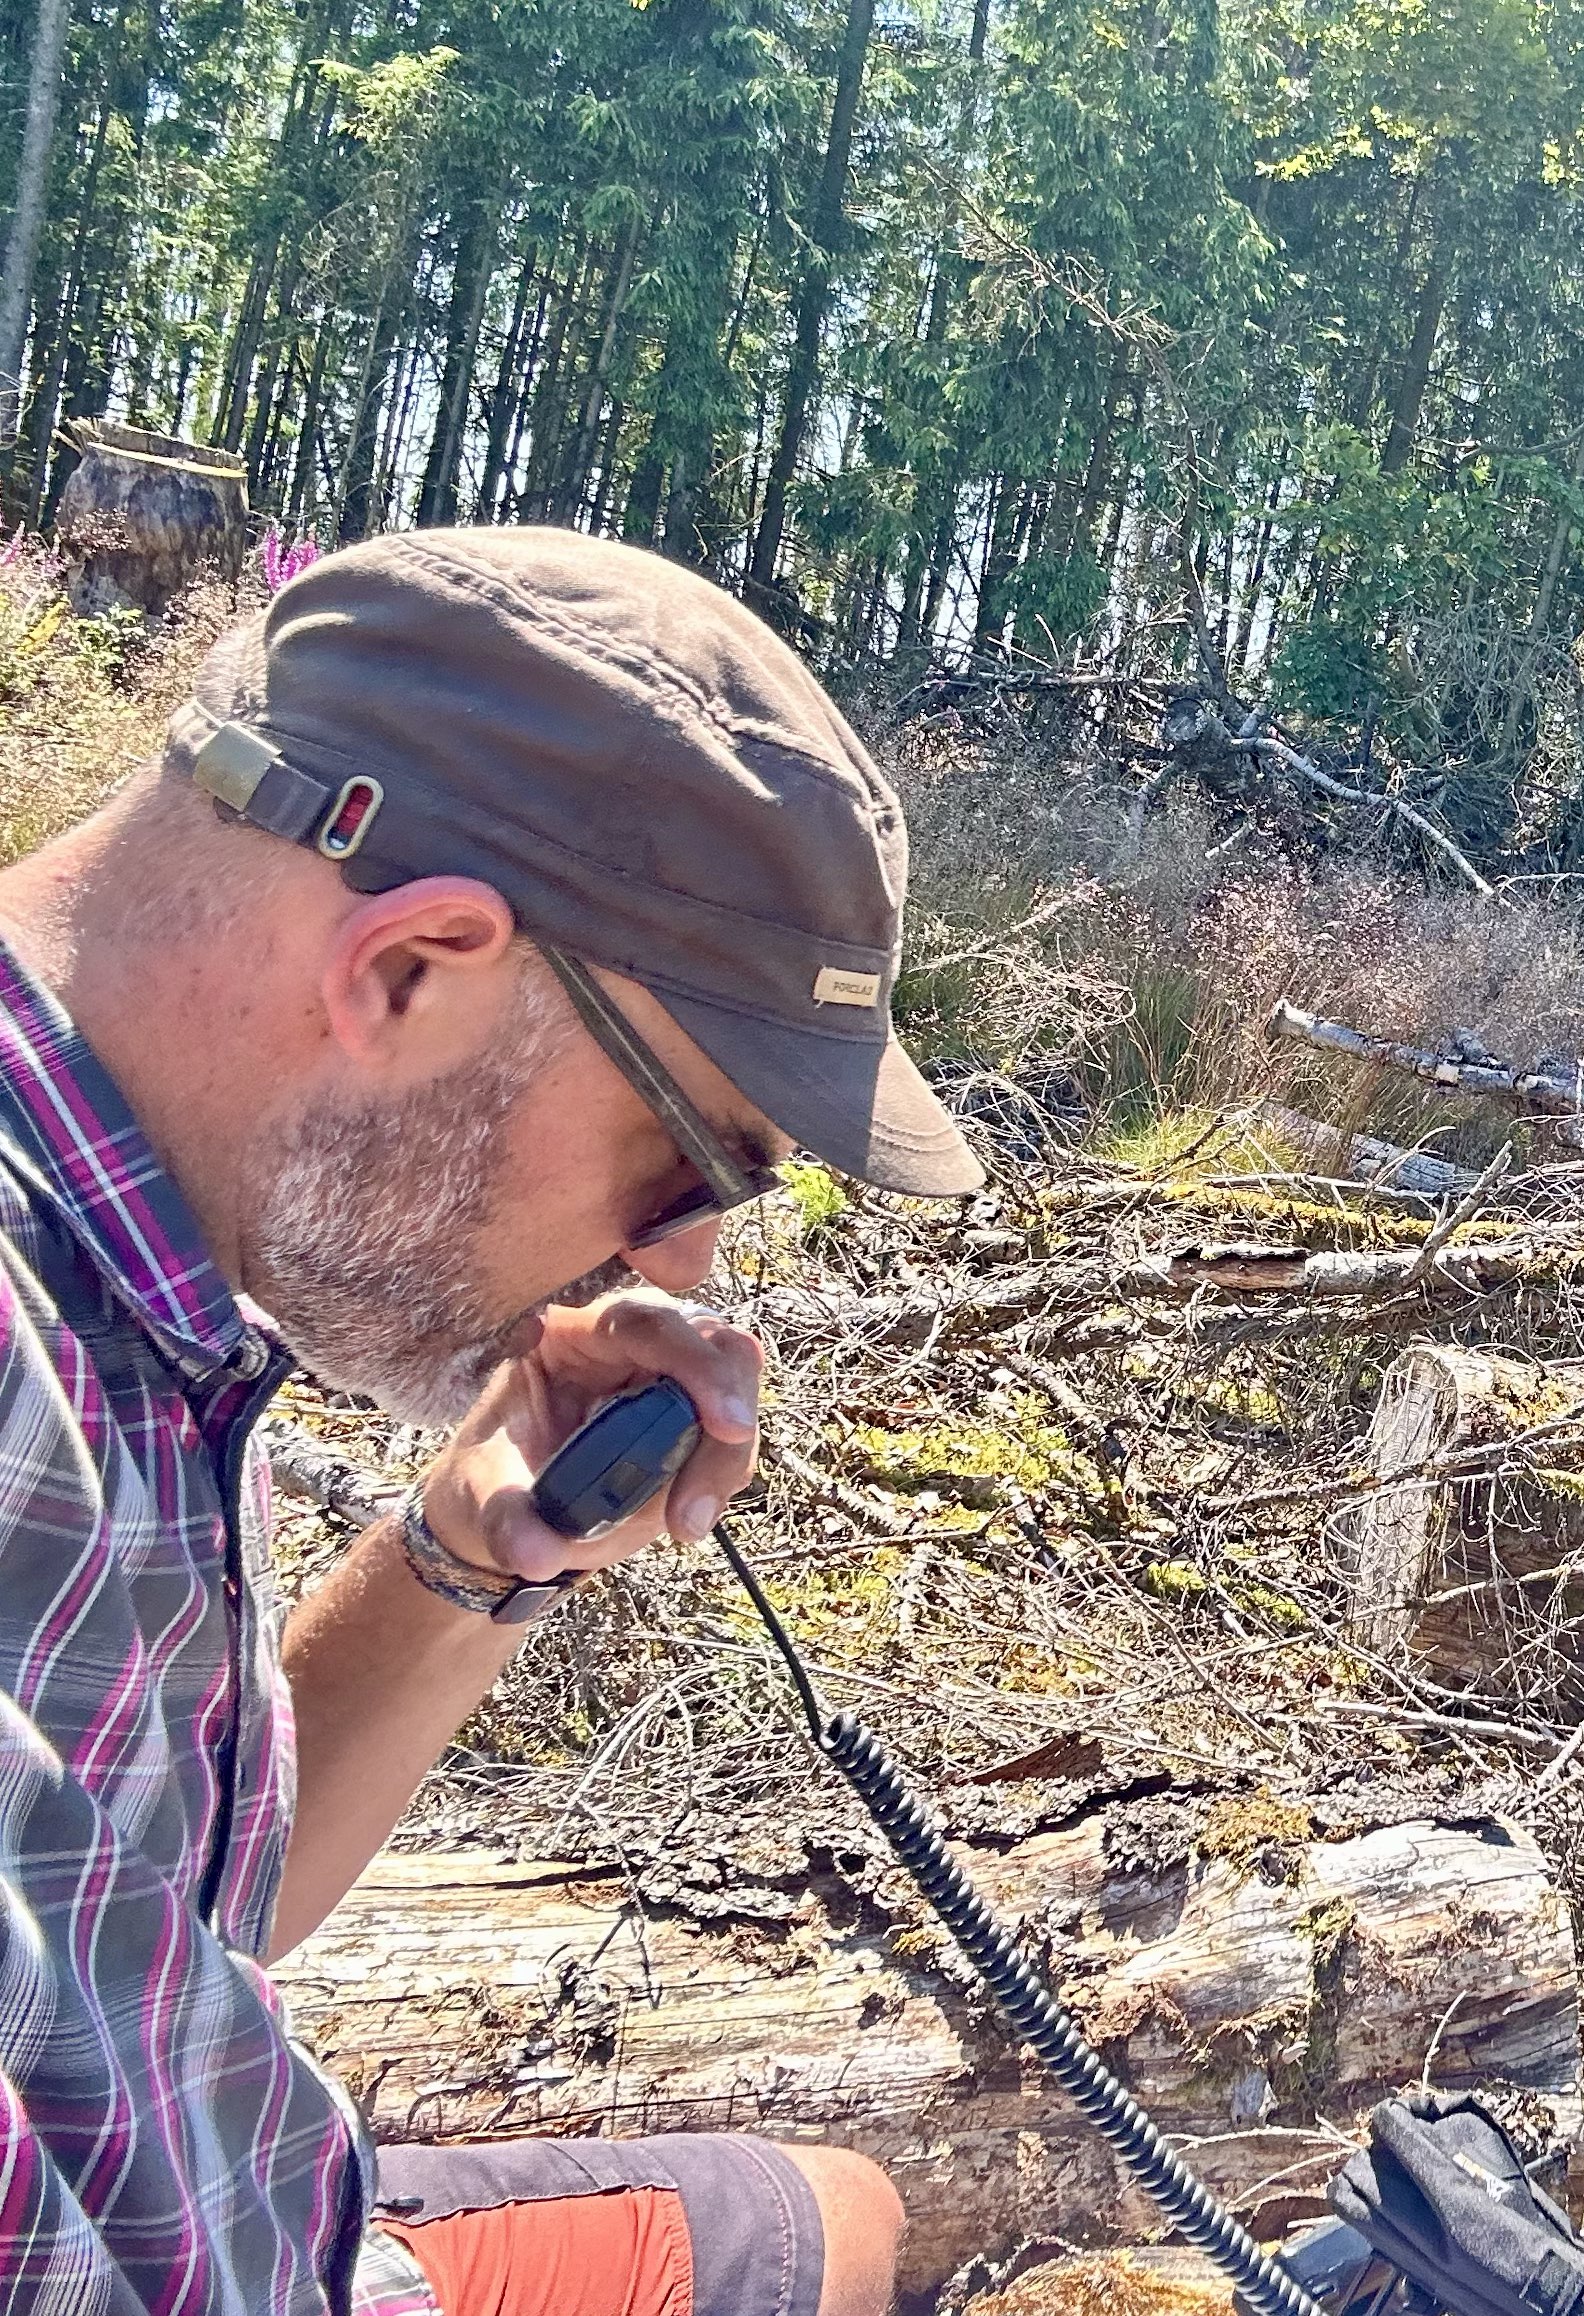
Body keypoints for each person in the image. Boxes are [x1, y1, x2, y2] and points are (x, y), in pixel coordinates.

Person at [0, 526, 986, 2314]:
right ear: (411, 969)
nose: (679, 1260)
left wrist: (470, 1555)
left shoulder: (139, 1275)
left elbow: (166, 1928)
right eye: (690, 1166)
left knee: (824, 2226)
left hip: (251, 2199)